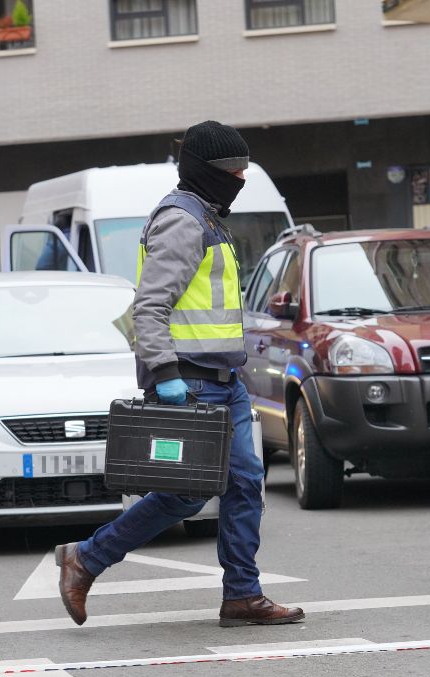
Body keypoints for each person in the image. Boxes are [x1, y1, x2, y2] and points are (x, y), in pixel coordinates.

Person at [55, 121, 303, 628]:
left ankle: (241, 595)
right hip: (189, 381)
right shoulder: (183, 222)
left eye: (244, 170)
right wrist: (166, 374)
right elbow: (149, 307)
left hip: (220, 379)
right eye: (233, 171)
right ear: (205, 171)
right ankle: (87, 558)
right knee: (188, 493)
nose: (240, 178)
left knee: (243, 484)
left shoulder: (207, 217)